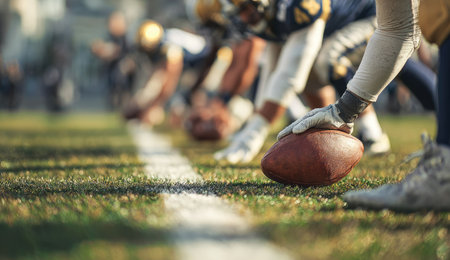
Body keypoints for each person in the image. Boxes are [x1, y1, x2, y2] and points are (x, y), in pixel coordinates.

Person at [278, 0, 450, 211]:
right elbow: (398, 28)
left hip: (363, 20)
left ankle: (444, 166)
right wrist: (343, 111)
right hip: (375, 28)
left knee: (441, 12)